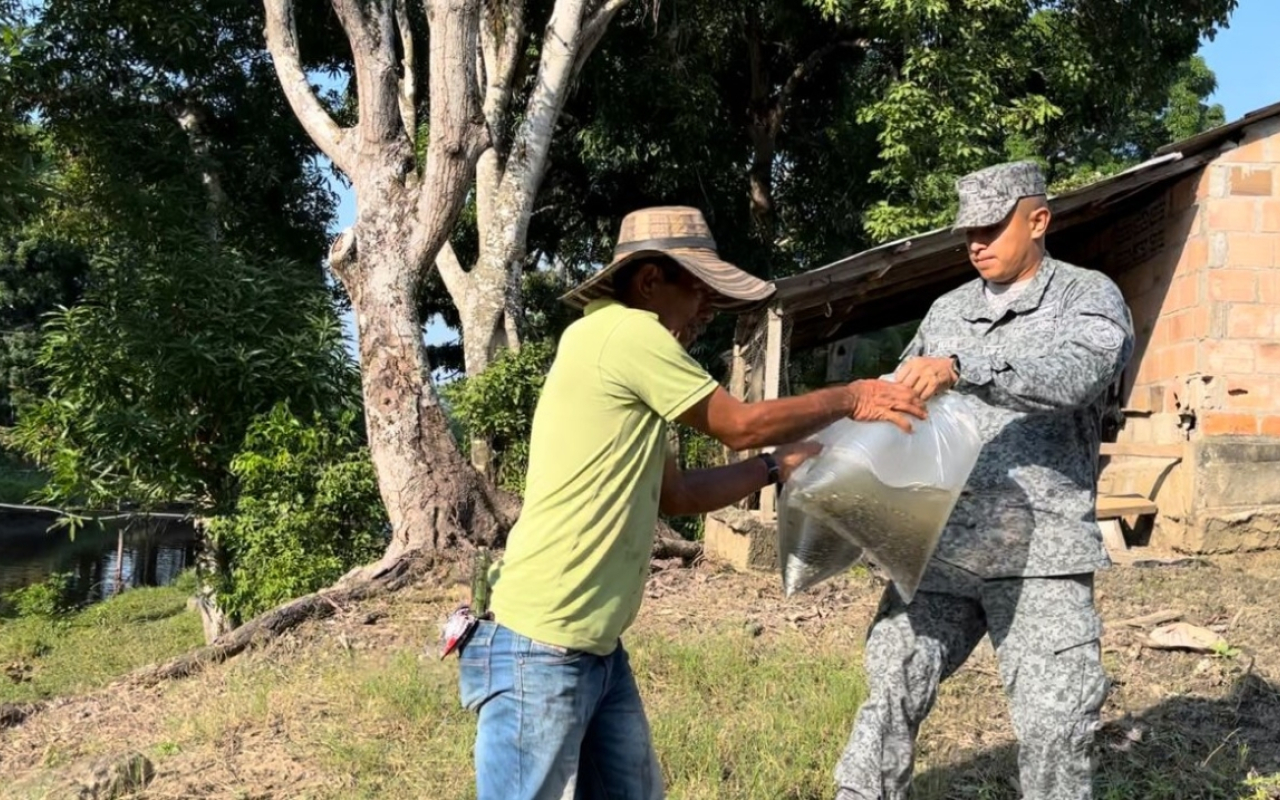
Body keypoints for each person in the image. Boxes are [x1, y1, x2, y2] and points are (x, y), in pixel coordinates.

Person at [457, 205, 929, 800]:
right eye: (700, 289)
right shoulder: (624, 333)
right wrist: (852, 396)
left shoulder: (631, 358)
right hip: (541, 649)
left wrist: (773, 468)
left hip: (595, 647)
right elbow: (740, 424)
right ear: (650, 281)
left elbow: (676, 496)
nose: (708, 307)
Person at [833, 161, 1135, 800]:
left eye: (992, 228)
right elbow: (900, 398)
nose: (976, 243)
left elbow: (1078, 373)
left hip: (1040, 560)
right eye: (968, 231)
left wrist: (965, 367)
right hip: (941, 550)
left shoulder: (1088, 296)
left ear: (1039, 221)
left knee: (1057, 723)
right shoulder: (947, 310)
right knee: (889, 694)